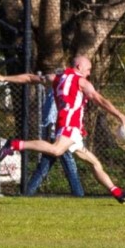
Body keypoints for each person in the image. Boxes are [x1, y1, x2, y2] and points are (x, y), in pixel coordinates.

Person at [0, 55, 125, 204]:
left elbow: (29, 78)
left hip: (72, 130)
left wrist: (4, 77)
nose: (89, 73)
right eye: (88, 69)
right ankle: (14, 144)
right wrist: (120, 116)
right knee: (56, 150)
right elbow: (100, 100)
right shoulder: (82, 82)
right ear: (79, 67)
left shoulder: (56, 77)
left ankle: (118, 193)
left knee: (94, 163)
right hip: (69, 126)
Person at [25, 68, 85, 197]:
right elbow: (54, 115)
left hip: (58, 132)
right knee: (70, 166)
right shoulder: (60, 92)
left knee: (45, 165)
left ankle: (28, 192)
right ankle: (79, 194)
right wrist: (55, 132)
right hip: (60, 133)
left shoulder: (56, 91)